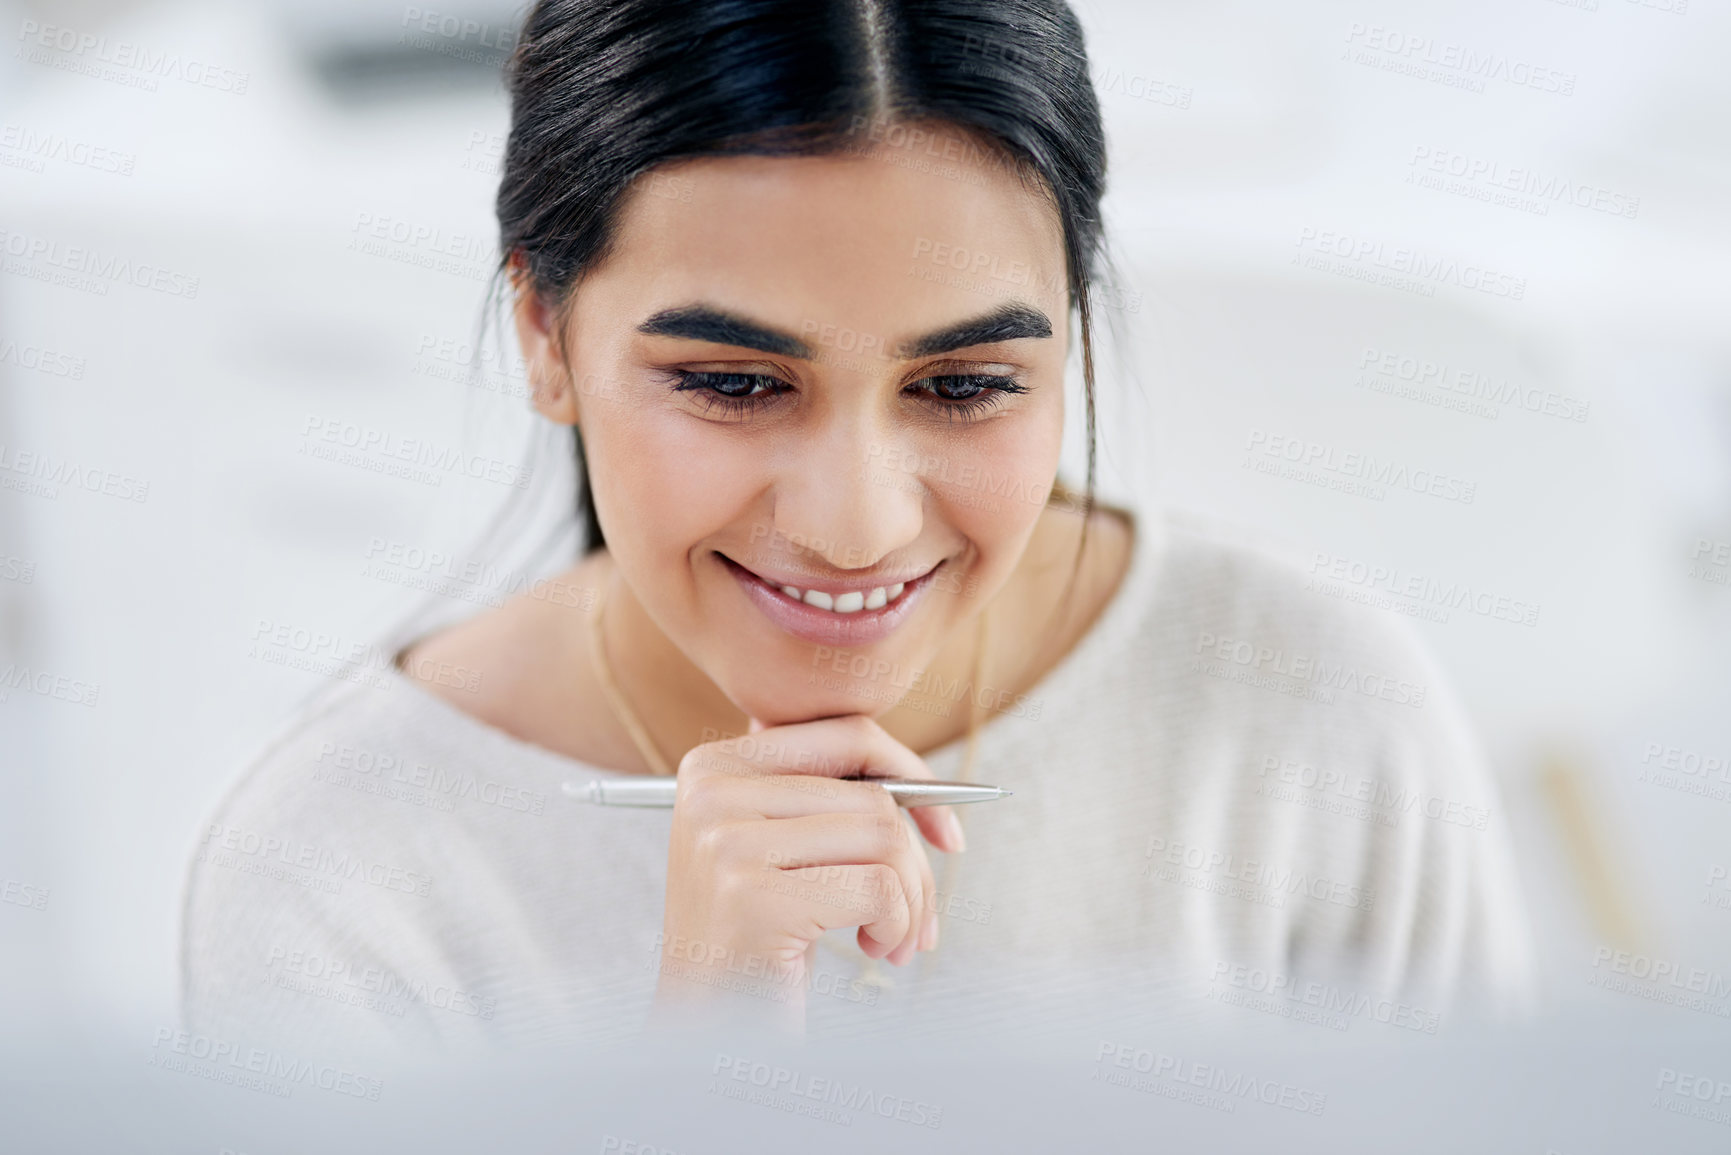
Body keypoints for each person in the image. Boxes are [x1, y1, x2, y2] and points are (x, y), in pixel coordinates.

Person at [182, 0, 1534, 1052]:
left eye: (963, 387)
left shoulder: (1310, 716)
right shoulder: (344, 877)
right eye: (731, 384)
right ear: (546, 334)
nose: (854, 526)